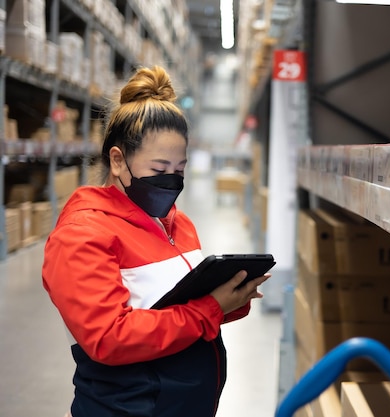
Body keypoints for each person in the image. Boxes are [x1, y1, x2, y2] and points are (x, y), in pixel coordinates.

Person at [42, 65, 270, 417]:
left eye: (179, 170)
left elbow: (177, 310)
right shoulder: (82, 234)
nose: (171, 181)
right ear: (118, 161)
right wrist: (209, 310)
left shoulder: (179, 225)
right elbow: (108, 337)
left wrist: (232, 298)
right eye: (159, 169)